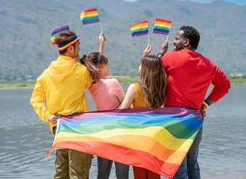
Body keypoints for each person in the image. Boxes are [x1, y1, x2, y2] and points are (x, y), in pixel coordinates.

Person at [158, 26, 231, 179]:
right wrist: (206, 103)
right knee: (192, 164)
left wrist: (160, 54)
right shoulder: (208, 64)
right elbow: (225, 85)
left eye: (177, 38)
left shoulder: (170, 58)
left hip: (175, 120)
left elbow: (150, 71)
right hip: (196, 119)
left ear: (186, 41)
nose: (173, 41)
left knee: (178, 165)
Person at [30, 31, 93, 179]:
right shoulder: (81, 71)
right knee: (79, 172)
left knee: (61, 172)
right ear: (70, 49)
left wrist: (47, 116)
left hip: (58, 127)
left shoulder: (46, 74)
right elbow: (90, 84)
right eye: (78, 46)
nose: (79, 50)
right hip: (78, 126)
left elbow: (35, 100)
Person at [80, 33, 129, 179]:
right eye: (107, 65)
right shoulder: (113, 82)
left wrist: (101, 45)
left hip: (103, 133)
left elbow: (96, 66)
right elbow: (127, 106)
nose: (109, 68)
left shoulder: (91, 85)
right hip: (120, 133)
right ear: (101, 67)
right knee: (122, 175)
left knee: (102, 174)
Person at [120, 46, 167, 179]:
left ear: (145, 70)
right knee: (154, 174)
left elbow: (121, 112)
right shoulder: (163, 89)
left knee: (140, 174)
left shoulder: (135, 88)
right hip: (156, 139)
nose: (139, 67)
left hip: (139, 139)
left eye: (141, 64)